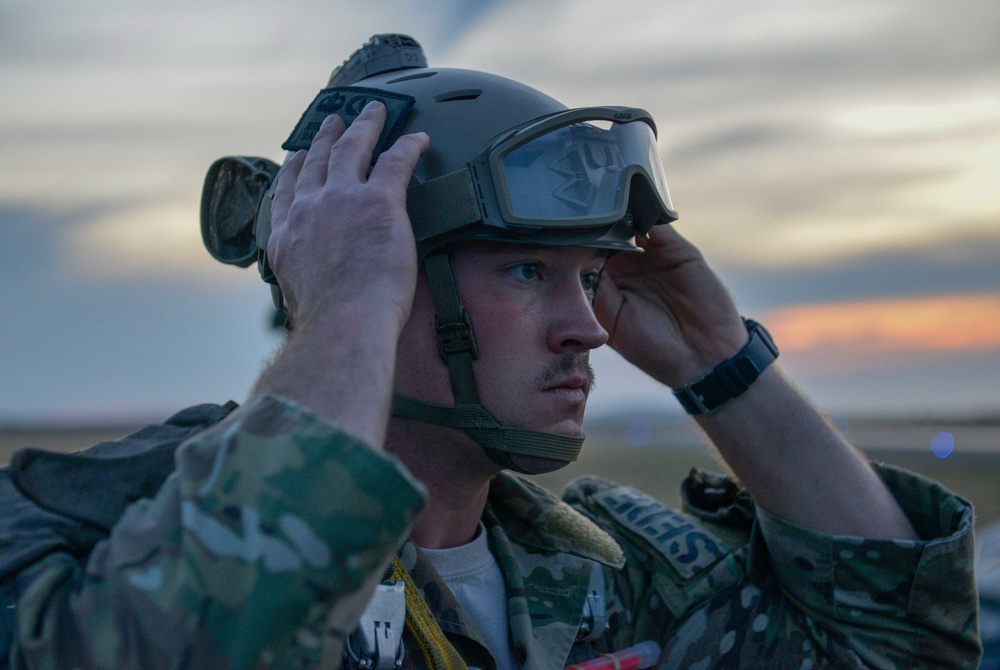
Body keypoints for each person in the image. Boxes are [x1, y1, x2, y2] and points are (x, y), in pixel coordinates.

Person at [0, 34, 980, 669]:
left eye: (590, 275)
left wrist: (718, 361)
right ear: (378, 267)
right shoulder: (95, 538)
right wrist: (341, 307)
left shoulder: (605, 568)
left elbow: (900, 645)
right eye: (525, 272)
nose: (589, 326)